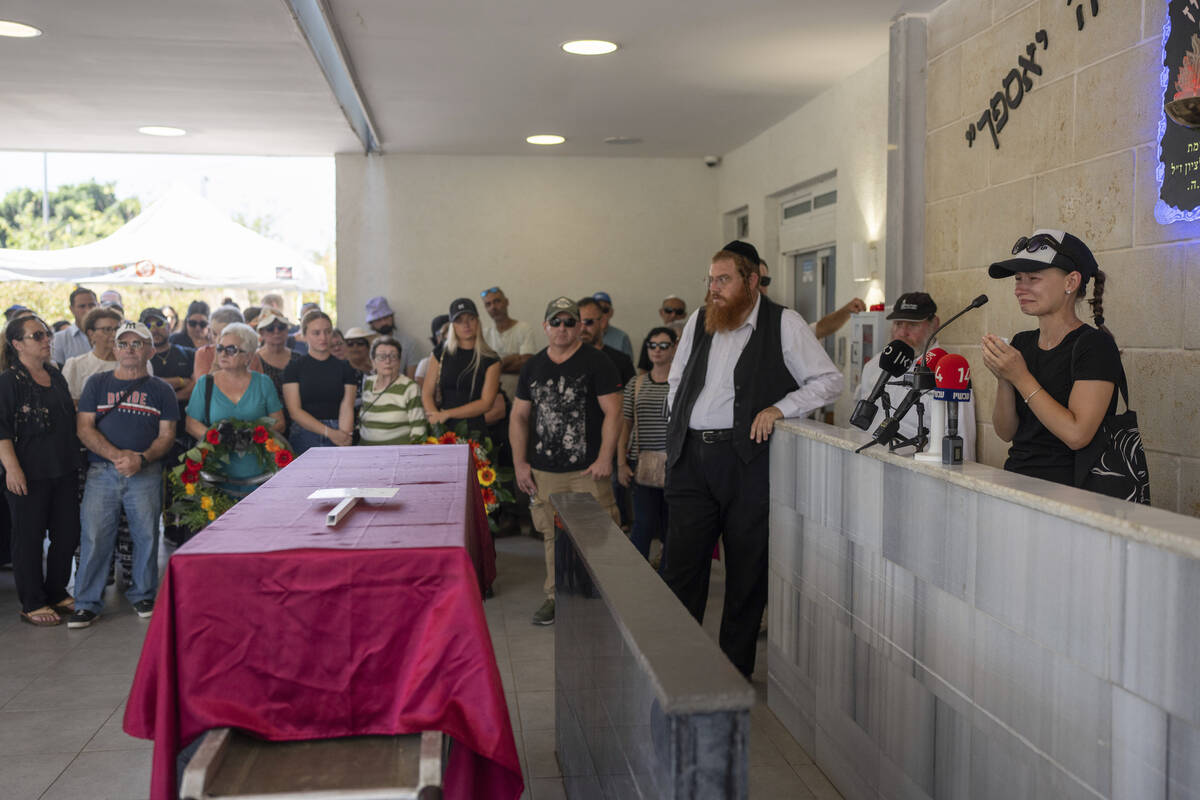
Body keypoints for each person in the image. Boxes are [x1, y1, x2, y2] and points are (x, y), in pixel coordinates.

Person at [664, 246, 844, 677]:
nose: (713, 289)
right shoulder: (699, 320)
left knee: (746, 570)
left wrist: (781, 407)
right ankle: (674, 669)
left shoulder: (783, 323)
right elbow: (677, 378)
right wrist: (677, 427)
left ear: (750, 281)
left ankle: (732, 672)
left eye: (722, 280)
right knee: (680, 569)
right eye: (710, 280)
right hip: (691, 457)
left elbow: (829, 381)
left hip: (746, 462)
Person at [981, 229, 1124, 490]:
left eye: (1033, 278)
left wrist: (1020, 376)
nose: (1020, 289)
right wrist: (1004, 379)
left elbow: (1077, 435)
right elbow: (1006, 432)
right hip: (1016, 483)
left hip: (1071, 493)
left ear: (1071, 282)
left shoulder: (1095, 345)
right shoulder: (1022, 342)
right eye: (1018, 279)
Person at [510, 297, 622, 626]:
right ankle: (555, 596)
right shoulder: (532, 367)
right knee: (551, 534)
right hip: (545, 469)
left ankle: (604, 593)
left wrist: (605, 457)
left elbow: (613, 412)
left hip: (588, 469)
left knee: (598, 532)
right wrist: (520, 463)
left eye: (570, 322)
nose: (562, 328)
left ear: (580, 327)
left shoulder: (597, 362)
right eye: (555, 322)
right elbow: (519, 416)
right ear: (545, 326)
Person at [69, 321, 180, 628]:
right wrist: (118, 456)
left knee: (147, 535)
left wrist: (141, 459)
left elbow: (167, 435)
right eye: (124, 343)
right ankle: (87, 602)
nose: (130, 349)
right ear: (114, 349)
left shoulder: (162, 390)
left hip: (145, 472)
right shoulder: (97, 383)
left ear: (150, 349)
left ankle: (143, 594)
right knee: (93, 537)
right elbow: (84, 428)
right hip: (102, 471)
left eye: (137, 343)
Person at [0, 316, 80, 626]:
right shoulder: (8, 381)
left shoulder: (54, 374)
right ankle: (32, 602)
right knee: (29, 538)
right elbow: (2, 430)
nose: (47, 339)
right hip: (27, 473)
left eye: (46, 334)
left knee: (68, 532)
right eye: (37, 336)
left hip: (63, 468)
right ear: (17, 344)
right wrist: (12, 469)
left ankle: (57, 591)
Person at [854, 292, 976, 460]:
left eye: (912, 325)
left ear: (934, 324)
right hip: (868, 461)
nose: (902, 333)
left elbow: (962, 440)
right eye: (898, 324)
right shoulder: (875, 364)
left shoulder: (948, 371)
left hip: (916, 471)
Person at [186, 323, 285, 493]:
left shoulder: (263, 382)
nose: (223, 354)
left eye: (231, 349)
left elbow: (280, 423)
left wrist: (252, 435)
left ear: (248, 356)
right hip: (216, 473)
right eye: (220, 348)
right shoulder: (205, 383)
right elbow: (191, 423)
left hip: (260, 473)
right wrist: (217, 437)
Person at [617, 327, 676, 564]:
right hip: (642, 462)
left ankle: (668, 575)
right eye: (652, 345)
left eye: (663, 346)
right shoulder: (636, 383)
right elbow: (625, 425)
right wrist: (621, 463)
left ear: (674, 349)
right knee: (643, 522)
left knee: (671, 524)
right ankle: (636, 573)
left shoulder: (681, 383)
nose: (657, 351)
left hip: (675, 464)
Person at [282, 310, 357, 454]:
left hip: (340, 429)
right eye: (316, 333)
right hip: (305, 431)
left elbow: (347, 404)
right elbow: (295, 411)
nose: (323, 337)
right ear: (304, 335)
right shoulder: (294, 368)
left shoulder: (345, 367)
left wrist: (345, 435)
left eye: (327, 332)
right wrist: (330, 433)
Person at [422, 298, 501, 435]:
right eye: (459, 320)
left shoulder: (491, 358)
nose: (466, 325)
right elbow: (427, 392)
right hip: (442, 427)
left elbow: (486, 403)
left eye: (470, 318)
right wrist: (436, 418)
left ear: (477, 321)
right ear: (452, 325)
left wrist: (448, 414)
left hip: (474, 429)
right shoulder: (441, 352)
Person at [358, 336, 428, 445]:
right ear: (373, 362)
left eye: (393, 356)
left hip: (397, 455)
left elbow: (418, 428)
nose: (388, 361)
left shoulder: (409, 387)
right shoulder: (368, 383)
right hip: (366, 451)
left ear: (399, 361)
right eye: (381, 356)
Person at [481, 287, 538, 399]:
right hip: (493, 400)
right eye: (488, 304)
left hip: (520, 396)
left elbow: (527, 365)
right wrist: (513, 358)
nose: (493, 307)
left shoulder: (523, 328)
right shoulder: (484, 335)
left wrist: (495, 367)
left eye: (497, 301)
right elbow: (481, 370)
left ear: (506, 302)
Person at [62, 307, 125, 401]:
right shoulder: (76, 365)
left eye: (117, 329)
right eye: (107, 329)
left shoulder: (131, 363)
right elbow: (70, 404)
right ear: (91, 334)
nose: (114, 334)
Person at [192, 306, 264, 381]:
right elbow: (203, 389)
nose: (218, 341)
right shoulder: (204, 354)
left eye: (225, 335)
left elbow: (257, 386)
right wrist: (216, 362)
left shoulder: (250, 356)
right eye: (214, 334)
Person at [256, 310, 302, 427]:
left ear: (287, 330)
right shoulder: (253, 360)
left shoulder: (299, 359)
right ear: (262, 332)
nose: (276, 332)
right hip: (268, 425)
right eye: (270, 328)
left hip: (299, 422)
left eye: (281, 327)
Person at [141, 308, 195, 404]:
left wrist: (167, 398)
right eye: (148, 326)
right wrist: (180, 381)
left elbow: (198, 387)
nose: (154, 330)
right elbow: (145, 387)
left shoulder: (189, 354)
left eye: (159, 324)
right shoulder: (139, 359)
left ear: (169, 327)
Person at [578, 298, 635, 385]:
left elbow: (631, 395)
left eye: (588, 322)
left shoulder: (621, 361)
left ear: (603, 322)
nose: (582, 328)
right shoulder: (566, 359)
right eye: (578, 322)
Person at [365, 296, 421, 377]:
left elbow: (412, 379)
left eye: (386, 317)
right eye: (378, 320)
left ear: (392, 317)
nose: (384, 323)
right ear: (371, 323)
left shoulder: (408, 343)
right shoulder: (365, 344)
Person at [636, 296, 688, 372]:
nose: (673, 315)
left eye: (679, 312)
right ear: (661, 312)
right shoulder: (651, 339)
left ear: (684, 315)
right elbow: (644, 370)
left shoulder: (691, 339)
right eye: (669, 310)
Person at [51, 286, 98, 366]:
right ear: (71, 309)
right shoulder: (59, 339)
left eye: (91, 305)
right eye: (82, 306)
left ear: (98, 306)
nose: (88, 310)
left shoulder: (110, 334)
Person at [592, 292, 634, 358]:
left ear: (611, 313)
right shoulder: (582, 336)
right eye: (597, 310)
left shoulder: (622, 338)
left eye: (605, 310)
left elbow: (628, 366)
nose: (601, 314)